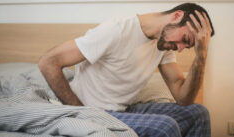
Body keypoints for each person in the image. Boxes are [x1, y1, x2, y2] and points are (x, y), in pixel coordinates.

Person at [39, 2, 215, 137]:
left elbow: (183, 98)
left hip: (124, 110)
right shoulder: (117, 30)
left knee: (198, 113)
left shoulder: (164, 46)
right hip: (95, 111)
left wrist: (201, 57)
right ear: (177, 16)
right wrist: (80, 112)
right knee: (165, 126)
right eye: (184, 39)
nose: (180, 48)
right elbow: (48, 62)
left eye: (187, 46)